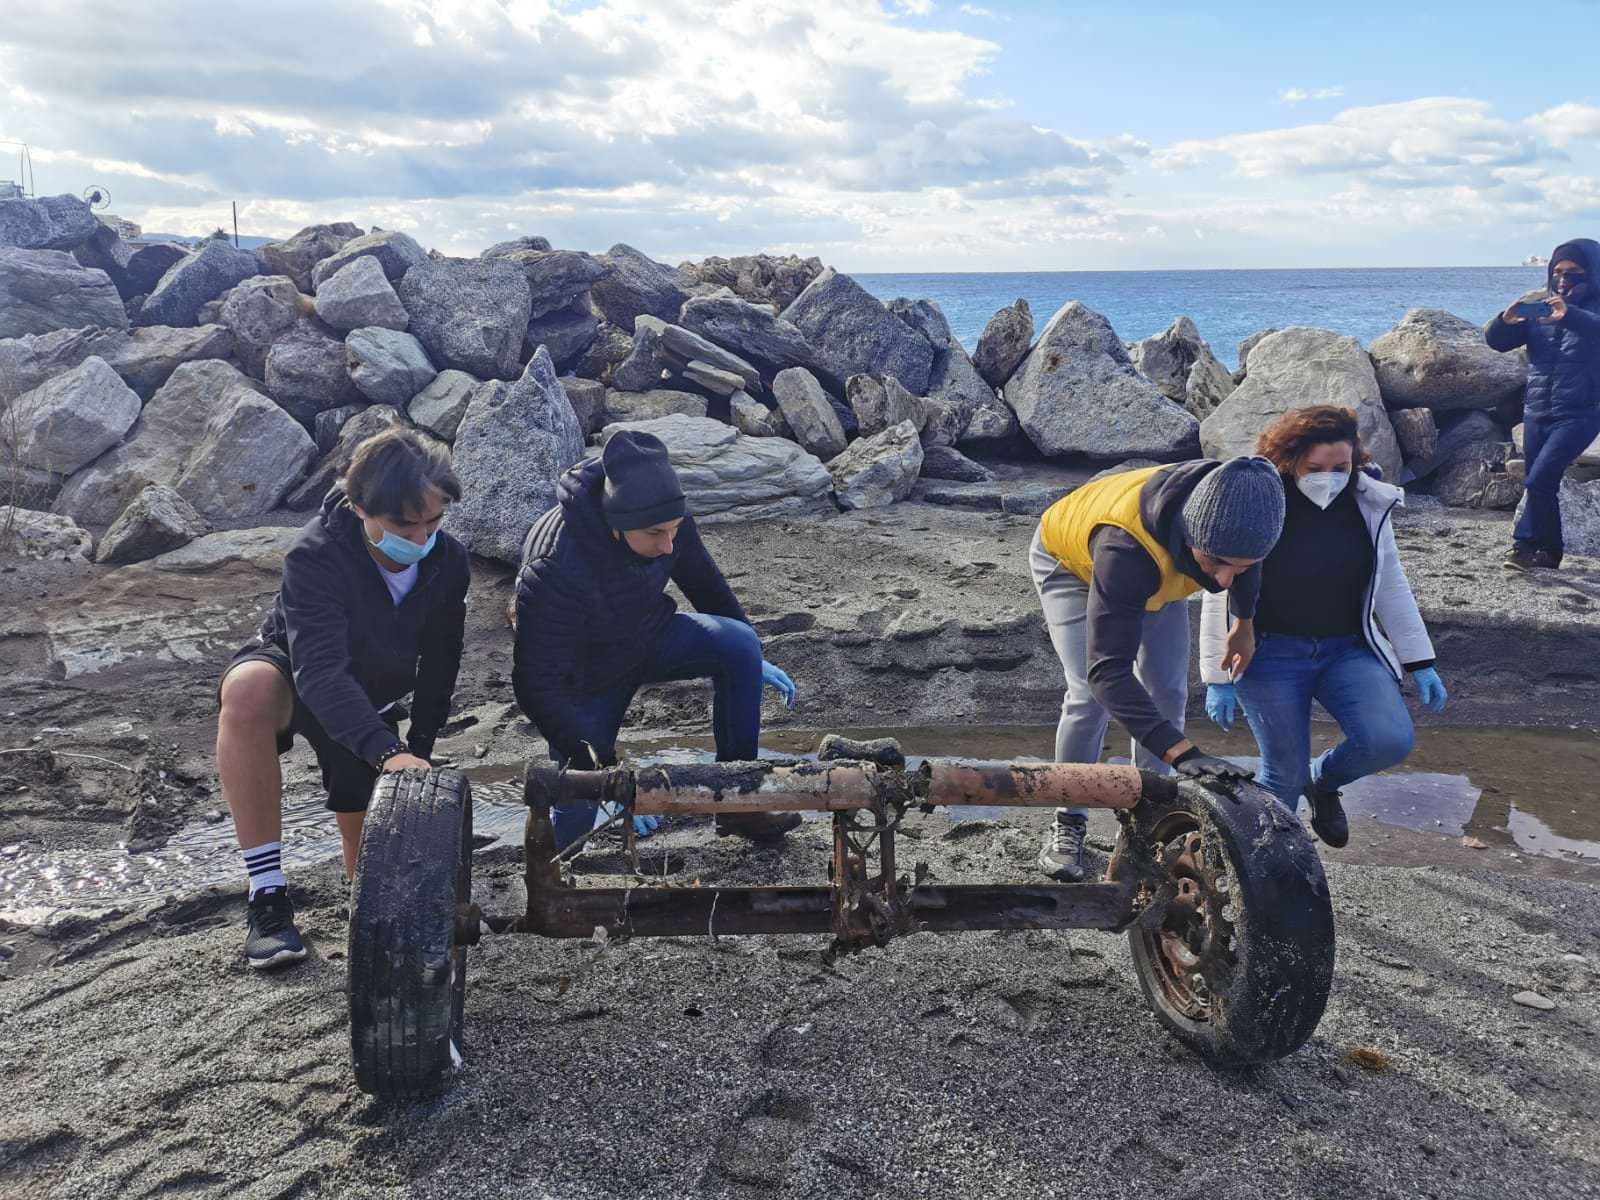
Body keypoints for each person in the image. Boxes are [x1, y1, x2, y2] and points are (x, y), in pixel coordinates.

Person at [215, 428, 470, 969]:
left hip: (369, 695)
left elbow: (442, 659)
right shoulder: (315, 555)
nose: (422, 537)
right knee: (247, 690)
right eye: (405, 524)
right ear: (359, 507)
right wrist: (386, 750)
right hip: (296, 672)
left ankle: (362, 905)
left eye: (435, 519)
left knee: (371, 878)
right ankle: (268, 897)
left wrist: (418, 746)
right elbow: (322, 671)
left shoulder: (448, 560)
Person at [512, 430, 799, 855]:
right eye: (655, 535)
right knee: (577, 804)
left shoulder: (666, 518)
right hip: (583, 676)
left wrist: (753, 653)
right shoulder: (553, 566)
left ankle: (738, 804)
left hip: (646, 634)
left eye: (675, 530)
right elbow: (538, 687)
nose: (669, 543)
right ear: (616, 526)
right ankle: (557, 870)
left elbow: (707, 586)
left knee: (738, 646)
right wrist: (612, 777)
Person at [1199, 406, 1447, 847]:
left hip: (1346, 648)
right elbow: (1219, 588)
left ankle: (1324, 782)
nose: (1328, 477)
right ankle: (1272, 873)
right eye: (1315, 468)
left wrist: (1421, 660)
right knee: (1282, 776)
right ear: (1290, 458)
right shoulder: (1259, 500)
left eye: (1340, 467)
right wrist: (1218, 678)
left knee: (1388, 740)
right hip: (1268, 652)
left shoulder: (1369, 502)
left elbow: (1390, 582)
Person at [1030, 456, 1285, 881]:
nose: (1222, 582)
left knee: (1167, 691)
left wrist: (1244, 623)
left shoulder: (1247, 509)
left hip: (1161, 568)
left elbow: (1244, 566)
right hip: (1071, 563)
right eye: (1217, 561)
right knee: (1089, 697)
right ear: (1191, 536)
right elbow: (1107, 671)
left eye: (1237, 568)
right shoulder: (1124, 548)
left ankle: (1145, 819)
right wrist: (1183, 753)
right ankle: (1068, 820)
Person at [1486, 238, 1600, 570]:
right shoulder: (1541, 308)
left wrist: (1569, 316)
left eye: (1575, 274)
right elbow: (1498, 343)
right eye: (1558, 272)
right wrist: (1502, 322)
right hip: (1536, 409)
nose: (1564, 280)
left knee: (1539, 478)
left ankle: (1525, 545)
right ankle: (1545, 552)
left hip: (1582, 411)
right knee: (1540, 480)